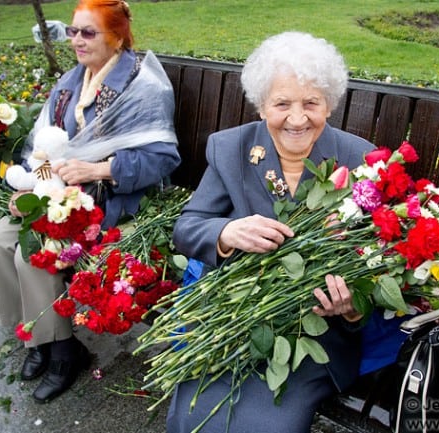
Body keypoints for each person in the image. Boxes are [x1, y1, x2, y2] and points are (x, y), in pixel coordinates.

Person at [167, 31, 375, 433]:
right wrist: (228, 232)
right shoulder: (231, 149)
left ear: (329, 104)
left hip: (310, 333)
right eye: (282, 104)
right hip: (230, 315)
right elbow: (187, 228)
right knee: (194, 416)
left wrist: (349, 306)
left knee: (267, 424)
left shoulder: (361, 160)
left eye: (311, 103)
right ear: (262, 105)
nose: (297, 119)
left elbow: (375, 266)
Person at [0, 0, 180, 404]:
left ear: (117, 36)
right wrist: (29, 190)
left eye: (87, 33)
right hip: (59, 193)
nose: (75, 40)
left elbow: (163, 158)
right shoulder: (72, 81)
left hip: (114, 198)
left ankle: (62, 353)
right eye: (72, 31)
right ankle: (37, 338)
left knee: (31, 252)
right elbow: (42, 149)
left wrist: (98, 171)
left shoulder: (142, 86)